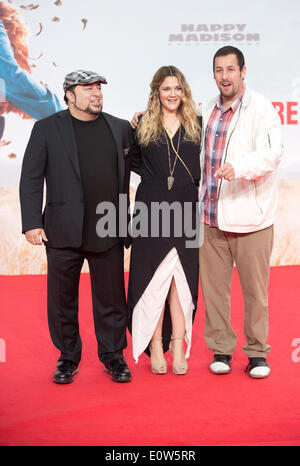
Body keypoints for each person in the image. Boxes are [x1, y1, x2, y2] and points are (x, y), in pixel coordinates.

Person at [20, 70, 132, 384]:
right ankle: (68, 357)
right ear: (69, 94)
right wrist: (31, 222)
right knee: (61, 300)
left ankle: (113, 356)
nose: (96, 94)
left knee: (111, 299)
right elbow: (31, 177)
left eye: (99, 88)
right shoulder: (46, 129)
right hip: (62, 230)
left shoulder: (120, 128)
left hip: (107, 227)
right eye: (88, 89)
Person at [198, 46, 283, 378]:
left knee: (254, 292)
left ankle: (257, 353)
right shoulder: (205, 109)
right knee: (214, 291)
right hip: (210, 217)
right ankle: (221, 349)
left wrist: (240, 166)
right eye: (219, 70)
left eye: (231, 69)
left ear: (243, 72)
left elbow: (272, 153)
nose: (225, 76)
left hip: (251, 219)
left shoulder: (261, 108)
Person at [128, 65, 201, 375]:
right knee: (154, 281)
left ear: (183, 91)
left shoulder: (197, 123)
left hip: (186, 209)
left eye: (177, 88)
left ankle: (178, 345)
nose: (173, 94)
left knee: (180, 281)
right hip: (152, 209)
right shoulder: (143, 124)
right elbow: (133, 162)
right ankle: (155, 344)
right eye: (166, 89)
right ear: (157, 92)